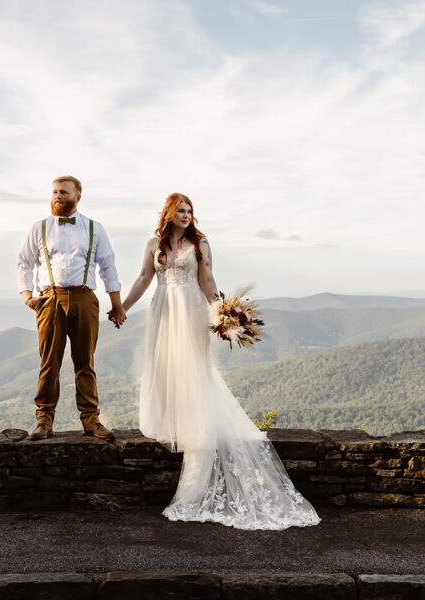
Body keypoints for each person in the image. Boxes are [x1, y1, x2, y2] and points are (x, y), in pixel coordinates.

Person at [119, 193, 320, 530]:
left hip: (191, 311)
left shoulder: (200, 242)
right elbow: (143, 277)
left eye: (190, 211)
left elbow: (208, 280)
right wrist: (122, 306)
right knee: (165, 367)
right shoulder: (154, 243)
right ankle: (173, 422)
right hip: (163, 309)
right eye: (180, 210)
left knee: (193, 370)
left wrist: (226, 314)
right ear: (169, 213)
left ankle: (196, 426)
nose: (186, 215)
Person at [17, 176, 126, 441]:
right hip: (49, 299)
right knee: (49, 363)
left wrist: (117, 305)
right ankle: (44, 420)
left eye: (63, 192)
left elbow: (108, 267)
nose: (57, 196)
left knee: (85, 363)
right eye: (54, 192)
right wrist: (27, 296)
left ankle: (91, 419)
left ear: (78, 196)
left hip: (85, 297)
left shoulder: (94, 229)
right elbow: (24, 263)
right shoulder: (39, 228)